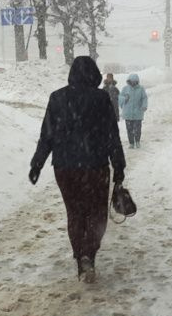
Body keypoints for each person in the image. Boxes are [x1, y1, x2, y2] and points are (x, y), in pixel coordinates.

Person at [29, 56, 126, 283]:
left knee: (75, 214)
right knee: (96, 214)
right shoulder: (101, 98)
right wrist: (119, 166)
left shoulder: (57, 98)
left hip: (65, 168)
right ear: (93, 74)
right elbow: (112, 135)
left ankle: (79, 258)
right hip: (95, 167)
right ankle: (88, 255)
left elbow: (47, 135)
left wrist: (37, 164)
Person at [119, 73, 149, 148]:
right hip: (128, 113)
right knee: (129, 129)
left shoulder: (141, 89)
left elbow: (144, 98)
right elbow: (120, 97)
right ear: (129, 81)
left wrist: (144, 106)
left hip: (138, 113)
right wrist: (124, 99)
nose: (132, 83)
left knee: (137, 129)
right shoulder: (125, 88)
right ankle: (131, 143)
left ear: (137, 81)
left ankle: (137, 141)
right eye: (131, 82)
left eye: (134, 81)